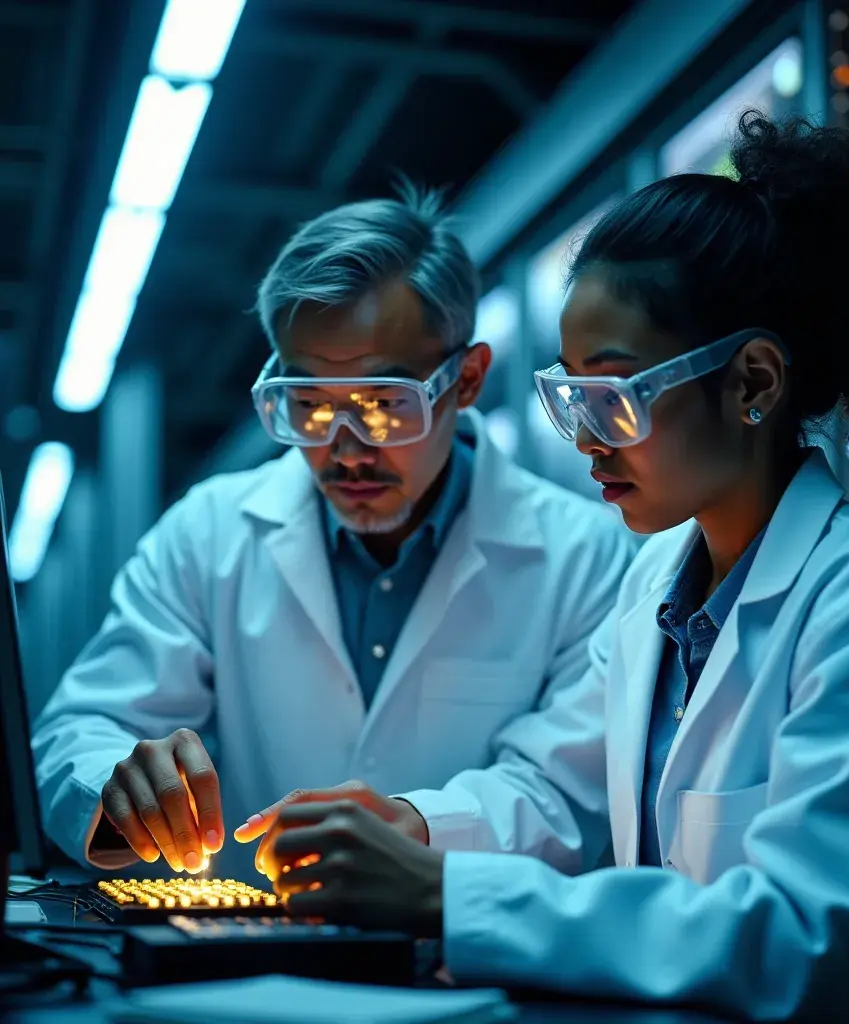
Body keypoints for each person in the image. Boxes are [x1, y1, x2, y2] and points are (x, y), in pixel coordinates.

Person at [255, 114, 849, 1020]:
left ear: (753, 384)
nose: (583, 440)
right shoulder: (657, 583)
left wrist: (438, 893)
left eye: (613, 398)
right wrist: (414, 829)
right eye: (571, 396)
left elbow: (793, 940)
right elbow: (565, 798)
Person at [32, 188, 634, 884]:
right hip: (243, 964)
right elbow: (79, 729)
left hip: (463, 961)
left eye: (383, 405)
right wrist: (120, 786)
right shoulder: (207, 533)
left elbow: (565, 790)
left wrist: (415, 829)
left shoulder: (587, 558)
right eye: (309, 406)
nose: (345, 450)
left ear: (465, 380)